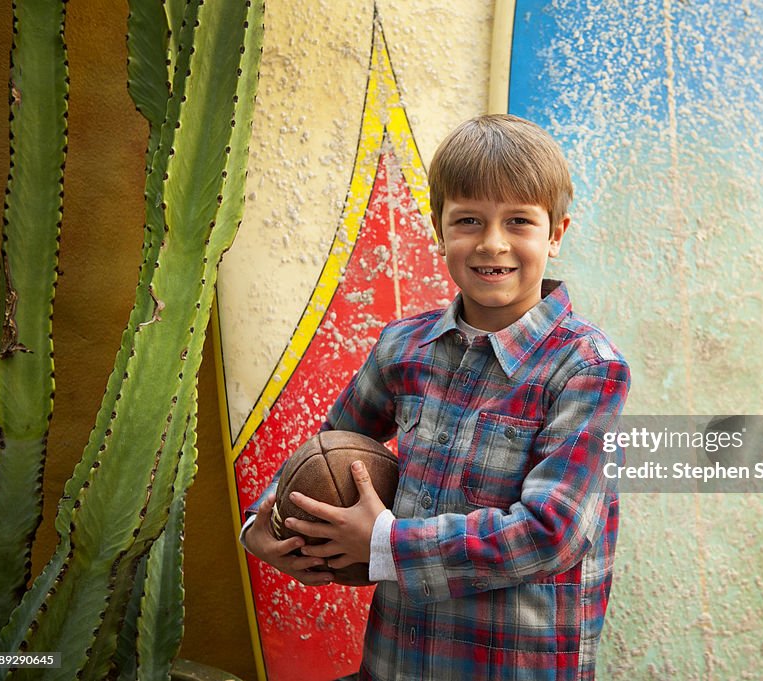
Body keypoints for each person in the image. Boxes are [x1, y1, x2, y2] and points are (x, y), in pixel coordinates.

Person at [242, 114, 631, 680]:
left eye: (518, 221)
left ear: (556, 233)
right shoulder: (404, 348)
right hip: (396, 660)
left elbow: (552, 532)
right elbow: (329, 440)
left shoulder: (588, 370)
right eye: (468, 220)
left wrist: (385, 543)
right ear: (438, 230)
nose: (492, 242)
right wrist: (264, 521)